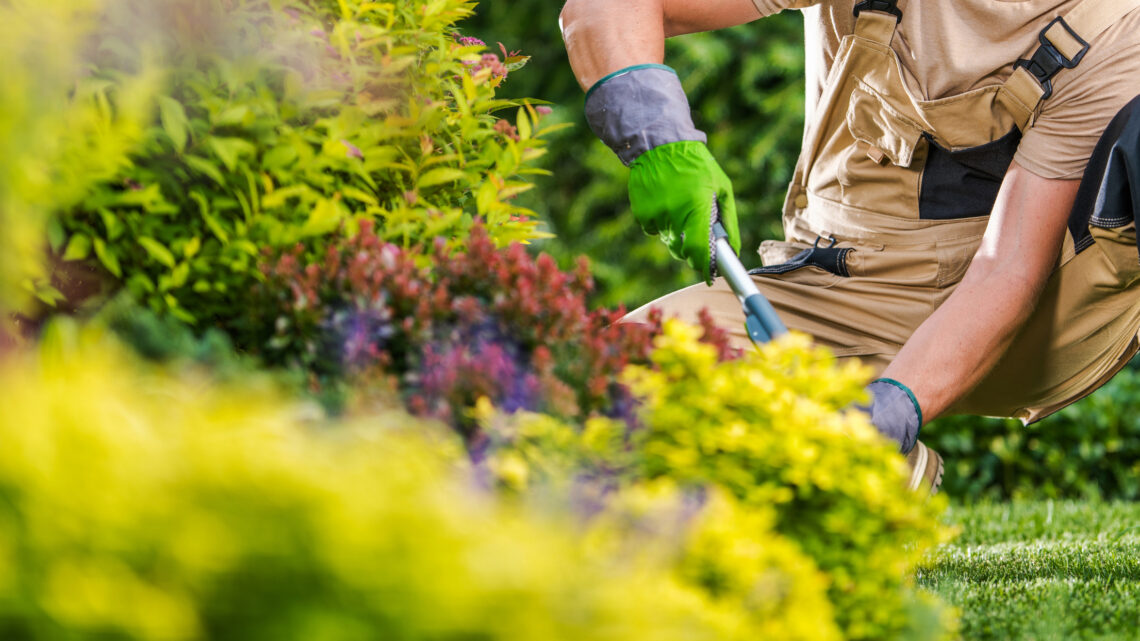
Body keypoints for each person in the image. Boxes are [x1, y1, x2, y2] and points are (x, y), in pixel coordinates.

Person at [559, 0, 1140, 493]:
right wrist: (656, 136)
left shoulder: (1114, 25)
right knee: (593, 395)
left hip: (1045, 305)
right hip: (841, 281)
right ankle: (875, 470)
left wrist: (895, 406)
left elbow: (1008, 269)